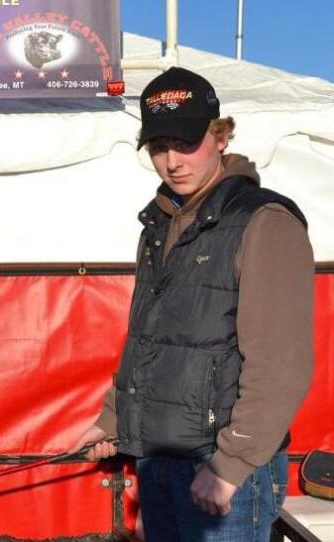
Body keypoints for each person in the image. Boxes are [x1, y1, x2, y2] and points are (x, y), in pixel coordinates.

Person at [71, 67, 315, 541]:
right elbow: (148, 340)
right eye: (159, 148)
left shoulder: (264, 221)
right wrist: (112, 420)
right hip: (159, 455)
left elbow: (280, 363)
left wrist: (232, 465)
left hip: (223, 468)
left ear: (220, 136)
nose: (171, 161)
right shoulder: (158, 224)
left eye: (186, 143)